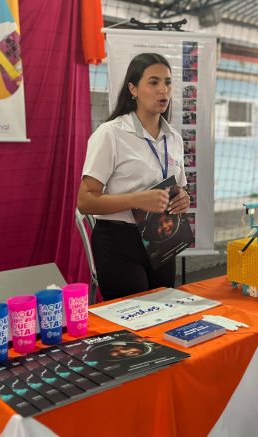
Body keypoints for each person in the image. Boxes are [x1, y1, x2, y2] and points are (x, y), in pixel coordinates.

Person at [77, 53, 190, 301]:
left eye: (168, 82)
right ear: (133, 88)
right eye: (153, 82)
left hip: (161, 238)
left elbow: (180, 188)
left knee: (163, 314)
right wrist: (137, 200)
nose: (163, 90)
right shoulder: (111, 134)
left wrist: (184, 199)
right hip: (119, 242)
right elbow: (85, 201)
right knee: (132, 323)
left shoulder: (174, 138)